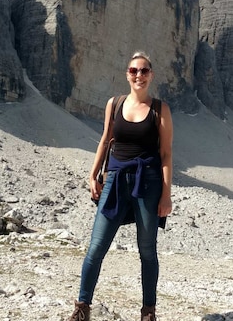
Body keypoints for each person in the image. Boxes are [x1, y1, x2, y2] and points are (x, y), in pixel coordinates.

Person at [68, 51, 174, 321]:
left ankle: (148, 312)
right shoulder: (114, 104)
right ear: (127, 74)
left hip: (147, 182)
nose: (139, 75)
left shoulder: (160, 109)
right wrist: (93, 176)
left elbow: (165, 154)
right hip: (114, 180)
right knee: (96, 247)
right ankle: (82, 309)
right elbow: (105, 141)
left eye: (144, 71)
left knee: (147, 250)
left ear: (151, 75)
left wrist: (166, 195)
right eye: (134, 70)